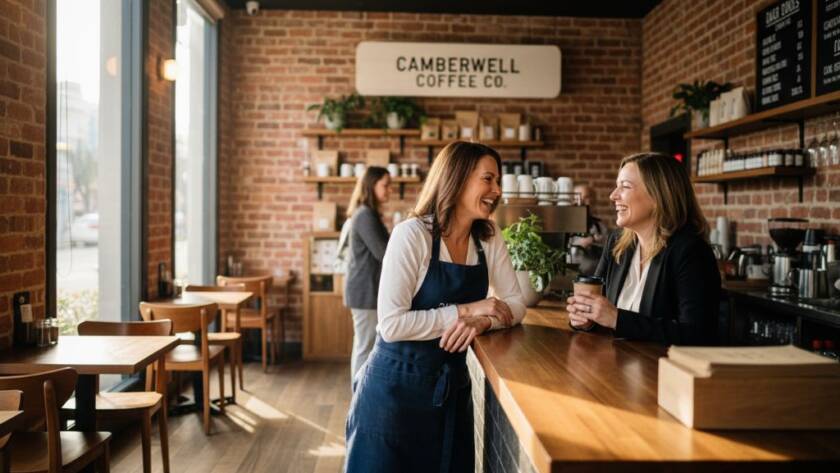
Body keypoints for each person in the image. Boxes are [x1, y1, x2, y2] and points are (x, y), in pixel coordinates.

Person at [344, 142, 526, 473]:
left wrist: (483, 322)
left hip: (450, 393)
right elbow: (392, 324)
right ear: (456, 179)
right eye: (488, 179)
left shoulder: (488, 237)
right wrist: (468, 310)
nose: (497, 190)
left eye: (498, 181)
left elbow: (516, 304)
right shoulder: (412, 235)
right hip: (393, 393)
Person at [566, 152, 720, 345]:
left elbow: (698, 335)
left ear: (658, 196)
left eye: (625, 187)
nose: (613, 195)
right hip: (615, 366)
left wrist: (617, 319)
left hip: (664, 371)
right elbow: (599, 312)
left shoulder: (690, 251)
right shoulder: (616, 242)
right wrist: (584, 319)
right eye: (617, 186)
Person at [344, 166, 391, 382]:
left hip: (366, 290)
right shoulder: (365, 215)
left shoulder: (368, 213)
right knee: (365, 346)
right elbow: (384, 253)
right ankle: (358, 397)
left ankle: (360, 395)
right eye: (385, 185)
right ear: (372, 186)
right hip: (365, 291)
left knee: (365, 344)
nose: (389, 189)